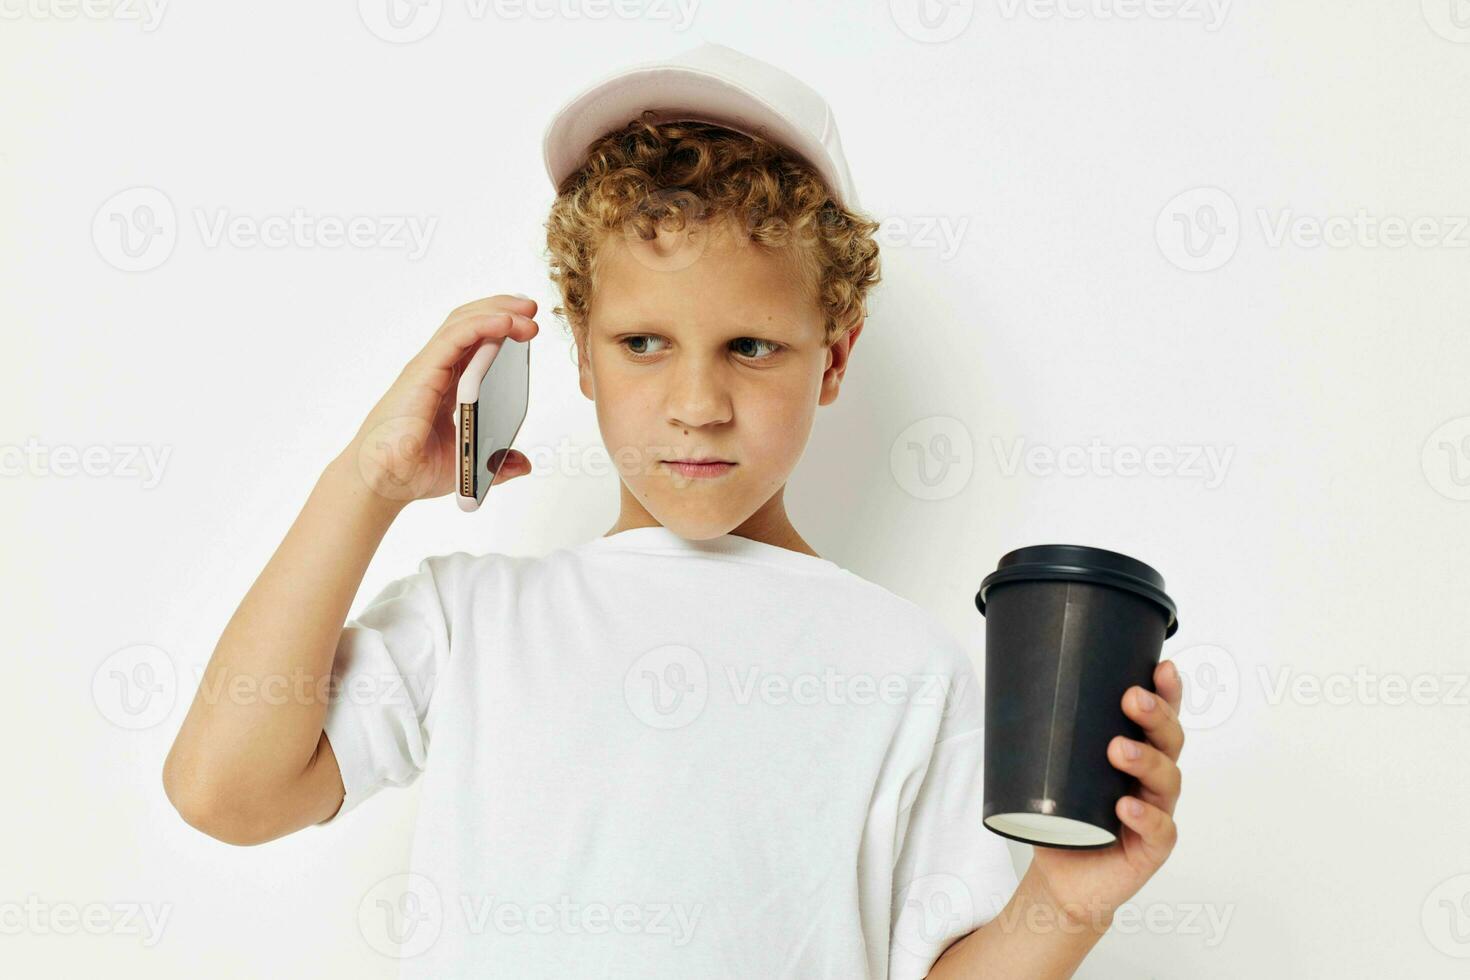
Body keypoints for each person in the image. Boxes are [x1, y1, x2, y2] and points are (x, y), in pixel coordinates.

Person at [161, 41, 1186, 979]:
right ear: (578, 350)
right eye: (644, 342)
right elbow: (226, 789)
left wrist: (1063, 902)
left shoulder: (910, 669)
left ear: (833, 356)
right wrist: (368, 480)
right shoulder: (473, 621)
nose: (697, 405)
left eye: (751, 346)